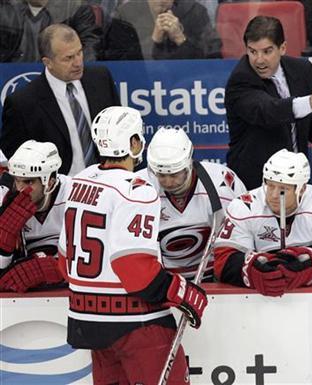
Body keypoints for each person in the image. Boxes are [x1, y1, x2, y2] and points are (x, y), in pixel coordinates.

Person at [58, 106, 207, 384]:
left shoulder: (78, 183)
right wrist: (183, 292)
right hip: (135, 323)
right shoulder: (136, 190)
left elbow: (63, 262)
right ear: (134, 143)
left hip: (87, 320)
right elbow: (136, 272)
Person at [225, 15, 312, 190]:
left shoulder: (302, 70)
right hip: (255, 185)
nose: (259, 60)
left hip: (297, 181)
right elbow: (268, 111)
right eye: (252, 51)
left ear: (283, 48)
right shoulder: (241, 79)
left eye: (267, 51)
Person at [214, 149, 312, 297]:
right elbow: (222, 260)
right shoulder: (243, 206)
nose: (274, 195)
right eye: (270, 185)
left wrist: (309, 268)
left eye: (283, 189)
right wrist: (251, 271)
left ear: (302, 189)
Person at [0, 23, 120, 176]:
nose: (78, 62)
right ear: (47, 62)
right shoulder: (22, 104)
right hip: (59, 193)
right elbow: (15, 163)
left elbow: (120, 133)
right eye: (68, 58)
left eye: (79, 52)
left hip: (107, 183)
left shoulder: (101, 78)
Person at [138, 127, 246, 281]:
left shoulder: (223, 183)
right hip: (162, 282)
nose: (167, 182)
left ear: (189, 163)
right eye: (161, 175)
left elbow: (244, 232)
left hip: (214, 277)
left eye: (174, 174)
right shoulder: (138, 187)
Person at [0, 140, 67, 293]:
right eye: (17, 180)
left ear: (49, 181)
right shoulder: (4, 195)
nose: (20, 189)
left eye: (29, 182)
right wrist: (5, 234)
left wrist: (57, 267)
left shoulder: (74, 194)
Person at [116, 0, 222, 60]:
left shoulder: (195, 11)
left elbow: (213, 57)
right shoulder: (126, 13)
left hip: (188, 81)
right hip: (140, 83)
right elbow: (116, 60)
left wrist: (180, 38)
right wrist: (154, 40)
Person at [0, 0, 101, 62]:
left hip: (60, 74)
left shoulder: (76, 10)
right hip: (11, 75)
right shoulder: (6, 11)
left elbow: (90, 48)